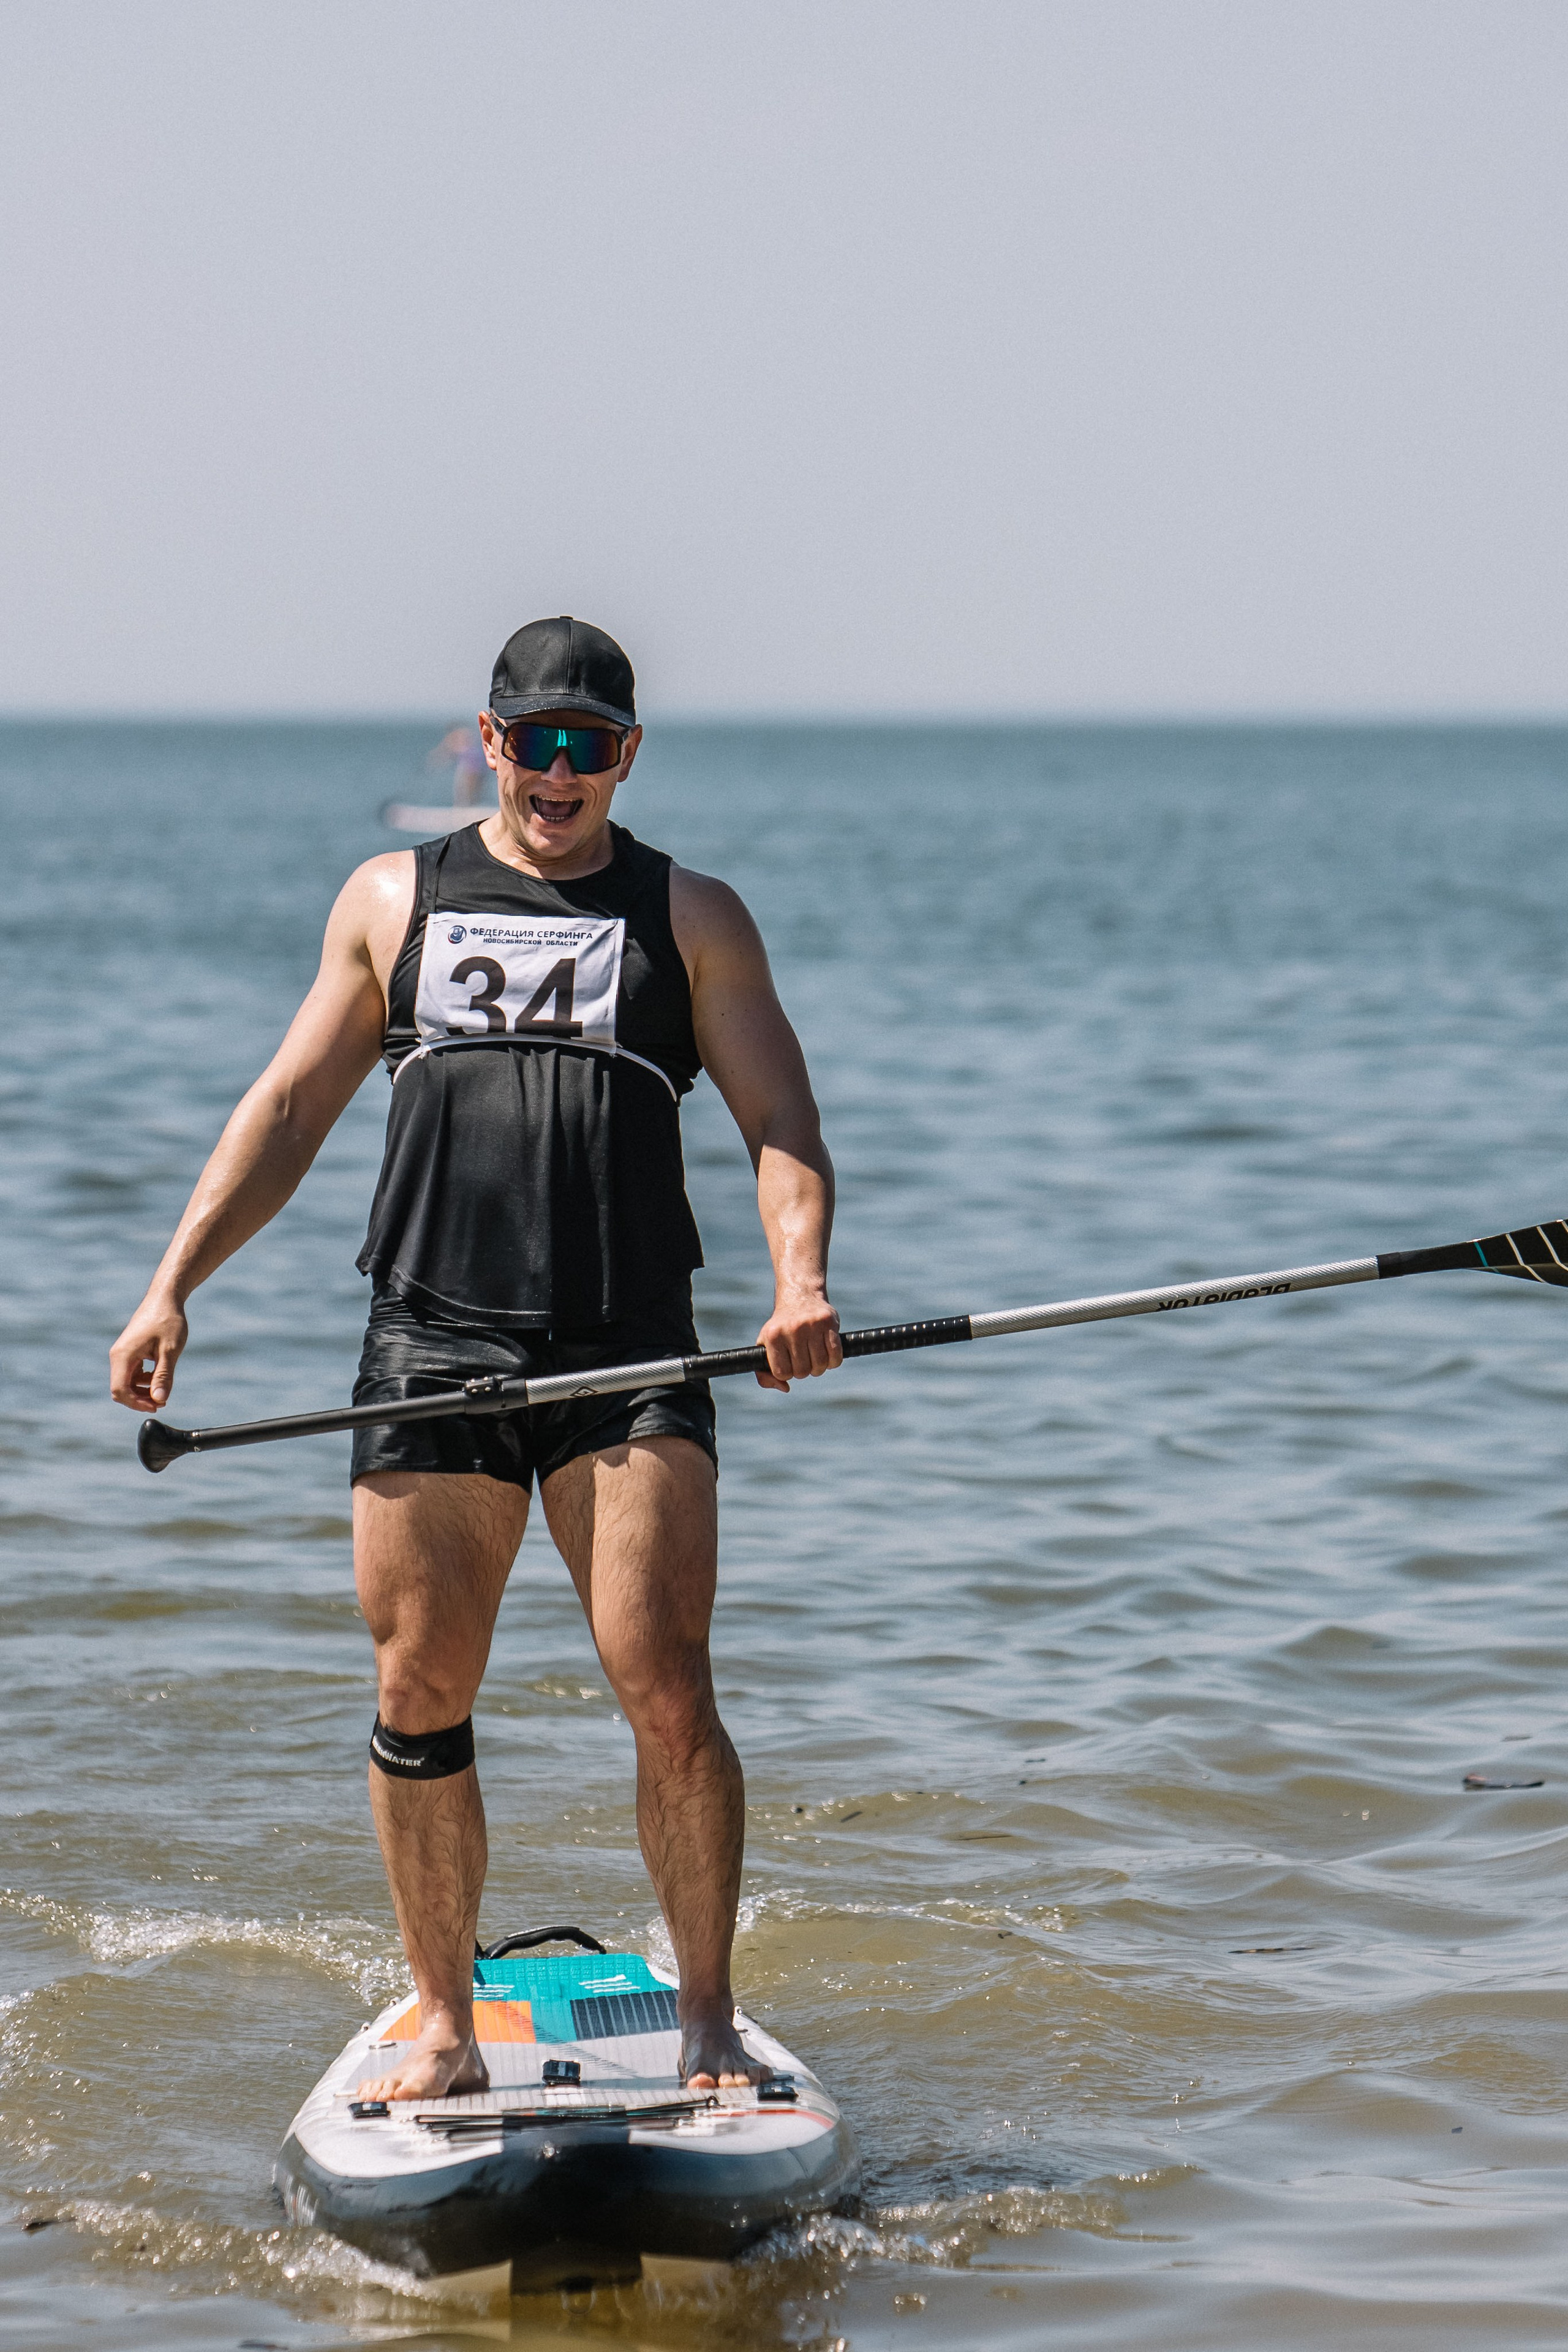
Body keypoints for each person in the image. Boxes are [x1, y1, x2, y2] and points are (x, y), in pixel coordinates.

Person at [110, 616, 842, 2097]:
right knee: (417, 1687)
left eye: (591, 746)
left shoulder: (690, 917)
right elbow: (287, 1113)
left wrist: (799, 1280)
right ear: (487, 740)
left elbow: (783, 1130)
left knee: (663, 1681)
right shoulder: (395, 899)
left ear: (628, 757)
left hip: (625, 1345)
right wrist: (170, 1285)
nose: (557, 771)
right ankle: (443, 2024)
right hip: (429, 1335)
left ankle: (705, 2017)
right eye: (532, 741)